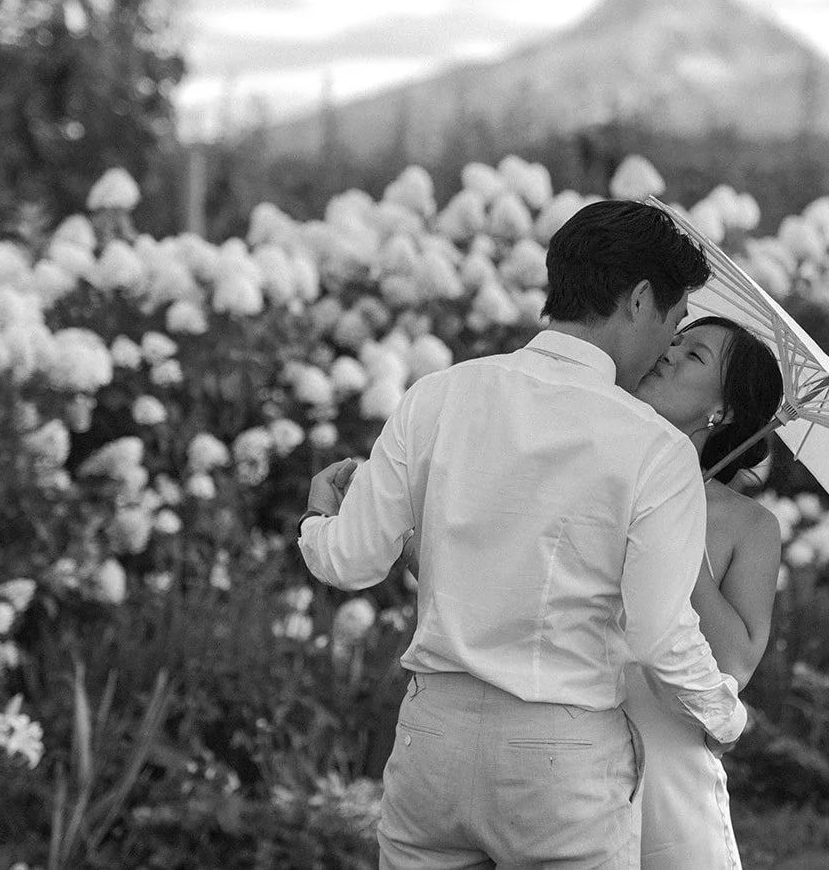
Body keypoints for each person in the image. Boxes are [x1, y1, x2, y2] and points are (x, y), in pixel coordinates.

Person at [298, 199, 748, 869]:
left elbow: (350, 561)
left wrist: (315, 521)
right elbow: (658, 632)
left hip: (431, 743)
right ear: (639, 300)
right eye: (675, 320)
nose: (667, 345)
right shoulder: (656, 448)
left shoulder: (436, 396)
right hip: (560, 762)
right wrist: (724, 715)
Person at [626, 316, 784, 869]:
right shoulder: (594, 468)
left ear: (723, 411)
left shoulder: (750, 527)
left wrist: (676, 526)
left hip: (670, 773)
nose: (668, 353)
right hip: (561, 754)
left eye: (694, 355)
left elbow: (735, 663)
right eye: (674, 340)